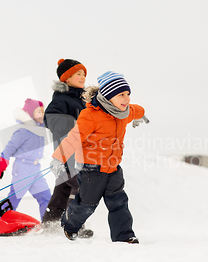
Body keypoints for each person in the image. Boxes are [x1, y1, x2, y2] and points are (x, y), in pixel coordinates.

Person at [50, 71, 148, 243]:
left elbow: (136, 110)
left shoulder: (123, 112)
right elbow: (75, 137)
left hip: (113, 167)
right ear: (108, 96)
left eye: (128, 94)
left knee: (119, 202)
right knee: (87, 204)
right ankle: (70, 224)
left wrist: (141, 115)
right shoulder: (91, 115)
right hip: (91, 169)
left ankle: (124, 236)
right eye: (121, 95)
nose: (127, 99)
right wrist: (59, 158)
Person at [42, 58, 93, 238]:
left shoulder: (83, 100)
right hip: (67, 151)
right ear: (66, 78)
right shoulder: (62, 98)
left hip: (79, 151)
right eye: (78, 74)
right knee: (78, 185)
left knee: (63, 187)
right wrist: (71, 125)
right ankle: (75, 225)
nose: (82, 77)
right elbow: (50, 117)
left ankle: (50, 223)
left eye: (84, 74)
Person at [0, 98, 51, 220]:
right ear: (30, 114)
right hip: (23, 168)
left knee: (45, 197)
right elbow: (10, 148)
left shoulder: (40, 130)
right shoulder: (24, 131)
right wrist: (2, 162)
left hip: (36, 169)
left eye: (43, 111)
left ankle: (47, 223)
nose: (42, 114)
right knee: (14, 198)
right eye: (38, 112)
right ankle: (0, 221)